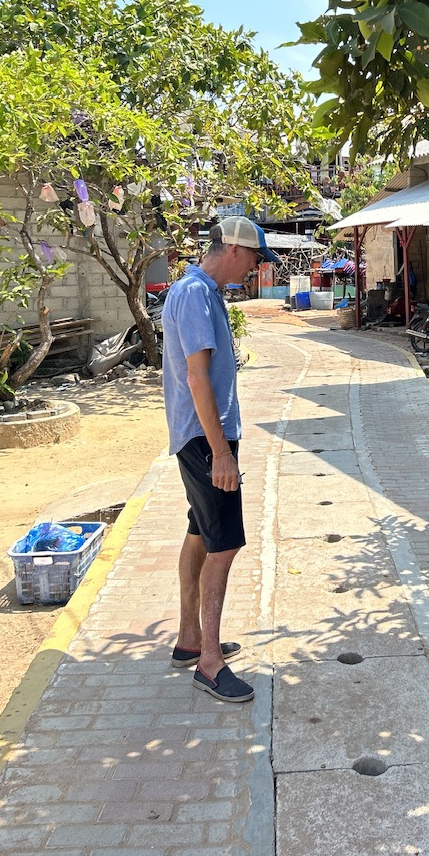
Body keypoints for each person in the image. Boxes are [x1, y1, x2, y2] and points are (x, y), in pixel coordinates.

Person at [161, 215, 278, 702]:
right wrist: (220, 455)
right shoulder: (193, 295)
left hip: (205, 436)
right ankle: (209, 663)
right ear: (233, 249)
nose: (256, 268)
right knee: (224, 544)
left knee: (200, 532)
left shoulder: (204, 293)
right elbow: (196, 379)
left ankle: (191, 639)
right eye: (255, 258)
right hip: (206, 439)